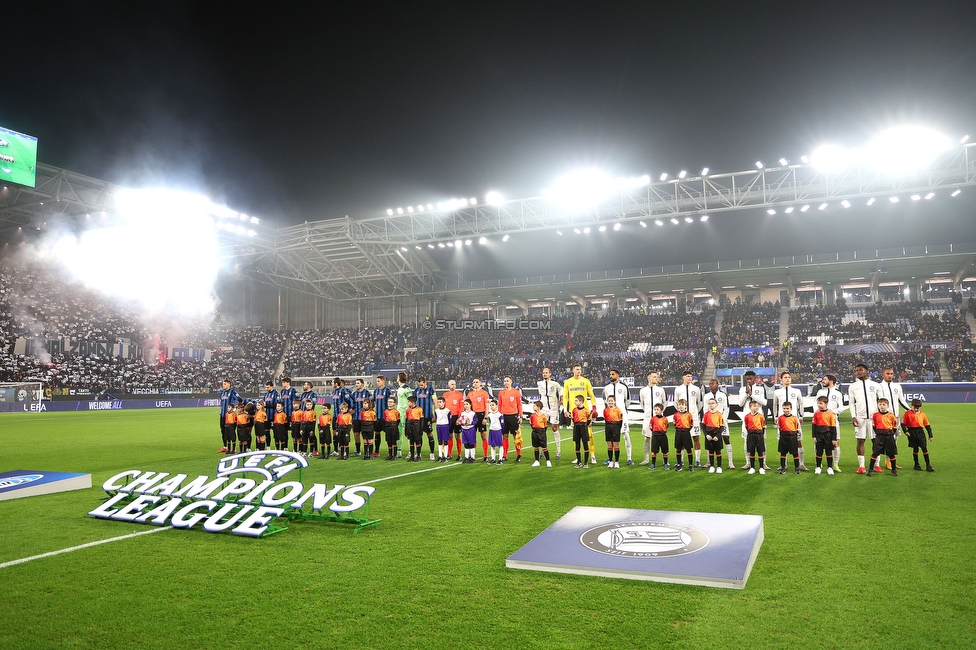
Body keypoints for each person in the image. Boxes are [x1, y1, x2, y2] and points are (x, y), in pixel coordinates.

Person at [847, 363, 880, 474]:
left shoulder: (875, 385)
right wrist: (853, 416)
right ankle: (861, 466)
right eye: (857, 370)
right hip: (860, 418)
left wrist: (880, 416)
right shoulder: (853, 386)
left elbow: (882, 401)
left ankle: (877, 464)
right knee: (860, 440)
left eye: (861, 370)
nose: (858, 372)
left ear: (866, 371)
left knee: (876, 441)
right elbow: (851, 403)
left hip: (874, 417)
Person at [773, 371, 809, 472]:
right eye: (785, 377)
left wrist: (801, 416)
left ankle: (801, 464)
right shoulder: (777, 392)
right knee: (783, 443)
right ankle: (784, 465)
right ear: (781, 379)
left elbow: (801, 403)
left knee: (799, 442)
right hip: (782, 421)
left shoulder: (797, 391)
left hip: (794, 420)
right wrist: (775, 416)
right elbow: (775, 405)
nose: (787, 379)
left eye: (789, 377)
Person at [563, 364, 598, 465]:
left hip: (585, 413)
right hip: (574, 413)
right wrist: (565, 409)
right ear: (573, 370)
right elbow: (565, 396)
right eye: (577, 369)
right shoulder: (568, 382)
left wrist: (594, 407)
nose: (579, 371)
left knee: (589, 435)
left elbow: (592, 395)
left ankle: (592, 456)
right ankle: (577, 457)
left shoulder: (586, 381)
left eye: (580, 369)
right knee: (576, 436)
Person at [878, 366, 910, 470]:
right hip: (884, 418)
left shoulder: (897, 386)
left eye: (891, 374)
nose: (889, 376)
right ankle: (876, 463)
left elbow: (901, 400)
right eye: (887, 373)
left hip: (895, 418)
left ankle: (890, 460)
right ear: (883, 374)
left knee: (895, 439)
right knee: (881, 440)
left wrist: (909, 411)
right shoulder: (878, 387)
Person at [603, 369, 634, 466]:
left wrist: (622, 410)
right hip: (611, 417)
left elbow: (628, 400)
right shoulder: (606, 388)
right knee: (610, 439)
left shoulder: (624, 387)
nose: (611, 376)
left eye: (613, 374)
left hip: (621, 416)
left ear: (618, 375)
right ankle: (610, 459)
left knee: (626, 435)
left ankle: (629, 458)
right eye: (610, 374)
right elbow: (605, 401)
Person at [738, 371, 766, 470]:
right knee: (746, 440)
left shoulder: (760, 388)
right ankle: (748, 462)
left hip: (759, 418)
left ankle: (764, 463)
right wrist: (746, 394)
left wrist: (752, 394)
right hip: (747, 418)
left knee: (762, 441)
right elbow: (740, 404)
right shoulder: (742, 389)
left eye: (751, 378)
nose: (749, 380)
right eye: (747, 379)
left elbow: (764, 402)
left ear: (755, 379)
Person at [816, 374, 845, 471]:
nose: (822, 381)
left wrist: (832, 411)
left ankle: (835, 465)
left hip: (833, 422)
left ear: (831, 381)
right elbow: (814, 405)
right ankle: (819, 465)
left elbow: (841, 407)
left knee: (835, 443)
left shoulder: (838, 393)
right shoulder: (820, 391)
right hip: (820, 422)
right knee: (817, 443)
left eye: (824, 379)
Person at [703, 378, 734, 469]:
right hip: (710, 423)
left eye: (713, 383)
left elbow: (726, 408)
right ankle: (709, 461)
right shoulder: (706, 396)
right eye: (710, 383)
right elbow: (705, 410)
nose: (711, 385)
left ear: (717, 384)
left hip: (721, 422)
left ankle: (730, 462)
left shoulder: (723, 395)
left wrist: (722, 420)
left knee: (726, 439)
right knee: (709, 440)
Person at [676, 371, 704, 468]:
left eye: (691, 376)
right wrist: (682, 414)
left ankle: (697, 460)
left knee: (696, 438)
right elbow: (676, 403)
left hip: (694, 417)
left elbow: (700, 403)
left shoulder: (696, 389)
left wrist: (693, 412)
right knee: (682, 440)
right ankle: (682, 461)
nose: (690, 378)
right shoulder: (678, 389)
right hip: (683, 419)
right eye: (688, 376)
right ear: (683, 377)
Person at [639, 371, 667, 465]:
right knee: (647, 438)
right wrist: (648, 413)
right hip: (647, 419)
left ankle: (664, 460)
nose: (656, 378)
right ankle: (646, 459)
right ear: (649, 378)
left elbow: (664, 402)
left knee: (661, 438)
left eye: (657, 377)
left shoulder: (660, 390)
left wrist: (659, 413)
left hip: (658, 420)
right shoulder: (643, 390)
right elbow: (642, 403)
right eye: (654, 377)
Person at [867, 398, 899, 476]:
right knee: (875, 453)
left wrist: (889, 433)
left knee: (891, 454)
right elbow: (874, 426)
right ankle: (871, 469)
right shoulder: (875, 415)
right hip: (879, 437)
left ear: (887, 406)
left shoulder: (891, 416)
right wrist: (879, 433)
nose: (882, 406)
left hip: (889, 436)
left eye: (884, 404)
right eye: (880, 404)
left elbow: (894, 427)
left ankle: (894, 470)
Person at [537, 368, 563, 460]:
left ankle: (558, 450)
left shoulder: (555, 384)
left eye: (546, 373)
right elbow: (540, 395)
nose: (544, 374)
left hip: (554, 408)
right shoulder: (539, 384)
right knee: (542, 429)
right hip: (544, 409)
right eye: (543, 373)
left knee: (554, 428)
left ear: (550, 374)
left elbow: (561, 390)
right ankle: (543, 450)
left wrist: (561, 399)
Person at [902, 398, 935, 472]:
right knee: (915, 448)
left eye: (918, 408)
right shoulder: (907, 414)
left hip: (920, 432)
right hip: (911, 432)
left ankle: (928, 465)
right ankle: (916, 464)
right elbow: (903, 424)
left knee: (924, 448)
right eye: (914, 407)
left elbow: (927, 425)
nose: (916, 409)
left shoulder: (922, 414)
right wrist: (905, 431)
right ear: (911, 405)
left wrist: (930, 435)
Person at [497, 376, 523, 462]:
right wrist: (499, 415)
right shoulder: (501, 393)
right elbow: (499, 405)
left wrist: (521, 416)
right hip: (503, 416)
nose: (506, 382)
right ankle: (505, 455)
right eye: (504, 381)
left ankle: (518, 455)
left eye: (507, 381)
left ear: (511, 381)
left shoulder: (516, 392)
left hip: (513, 416)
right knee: (505, 435)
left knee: (515, 436)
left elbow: (519, 405)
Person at [810, 397, 837, 475]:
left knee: (828, 451)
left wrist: (834, 438)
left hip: (828, 435)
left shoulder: (830, 414)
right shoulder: (816, 413)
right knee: (819, 451)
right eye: (818, 403)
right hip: (819, 435)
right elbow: (813, 426)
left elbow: (833, 427)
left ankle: (829, 467)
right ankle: (818, 467)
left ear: (826, 404)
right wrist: (814, 436)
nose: (819, 405)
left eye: (821, 403)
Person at [466, 378, 491, 461]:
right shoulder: (470, 394)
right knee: (472, 436)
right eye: (474, 382)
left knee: (483, 435)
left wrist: (486, 417)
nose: (475, 383)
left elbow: (487, 406)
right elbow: (466, 406)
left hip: (481, 415)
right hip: (472, 415)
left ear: (480, 383)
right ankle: (473, 455)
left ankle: (485, 455)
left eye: (477, 382)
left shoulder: (484, 393)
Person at [442, 380, 465, 461]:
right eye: (452, 384)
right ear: (448, 385)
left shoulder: (459, 394)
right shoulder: (445, 395)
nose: (453, 385)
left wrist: (459, 417)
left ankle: (459, 454)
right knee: (449, 436)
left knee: (457, 435)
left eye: (455, 384)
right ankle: (449, 454)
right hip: (447, 417)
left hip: (456, 417)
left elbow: (461, 407)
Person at [415, 377, 436, 461]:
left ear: (425, 382)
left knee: (429, 434)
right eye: (419, 385)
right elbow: (413, 403)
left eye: (422, 385)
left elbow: (435, 401)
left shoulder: (431, 390)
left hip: (428, 417)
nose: (420, 386)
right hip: (419, 417)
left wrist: (435, 414)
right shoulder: (416, 391)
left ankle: (432, 453)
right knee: (419, 435)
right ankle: (419, 454)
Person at [777, 401, 801, 475]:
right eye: (784, 408)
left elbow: (797, 428)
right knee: (783, 452)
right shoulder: (780, 418)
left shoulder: (794, 418)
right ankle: (783, 468)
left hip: (792, 437)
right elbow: (779, 427)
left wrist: (798, 438)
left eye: (787, 408)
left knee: (795, 453)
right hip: (783, 437)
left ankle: (797, 468)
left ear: (791, 409)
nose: (786, 410)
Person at [218, 379, 241, 453]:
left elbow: (240, 400)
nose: (223, 385)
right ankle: (225, 447)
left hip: (230, 416)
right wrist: (221, 410)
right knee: (223, 431)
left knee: (231, 432)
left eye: (224, 384)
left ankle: (233, 448)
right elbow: (222, 403)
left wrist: (234, 409)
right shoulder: (222, 393)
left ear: (229, 384)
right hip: (222, 415)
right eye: (223, 384)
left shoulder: (233, 392)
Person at [744, 400, 767, 475]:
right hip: (751, 435)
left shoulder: (761, 416)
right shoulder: (747, 416)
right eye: (754, 406)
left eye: (757, 406)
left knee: (760, 451)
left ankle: (761, 467)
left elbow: (763, 427)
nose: (756, 408)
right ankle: (752, 468)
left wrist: (760, 435)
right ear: (750, 407)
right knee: (752, 451)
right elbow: (747, 426)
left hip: (759, 435)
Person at [702, 398, 724, 474]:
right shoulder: (706, 414)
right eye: (709, 403)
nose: (711, 405)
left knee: (718, 451)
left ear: (717, 404)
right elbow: (703, 426)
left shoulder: (719, 414)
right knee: (710, 451)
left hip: (716, 434)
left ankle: (719, 466)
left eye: (713, 403)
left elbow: (722, 427)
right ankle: (711, 466)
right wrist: (706, 435)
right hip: (709, 435)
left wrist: (717, 436)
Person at [373, 375, 393, 458]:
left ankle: (390, 452)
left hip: (385, 417)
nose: (377, 382)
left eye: (378, 381)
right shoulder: (376, 391)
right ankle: (377, 451)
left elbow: (391, 402)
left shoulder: (387, 390)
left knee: (388, 434)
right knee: (377, 433)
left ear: (383, 381)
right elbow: (373, 402)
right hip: (378, 416)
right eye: (377, 381)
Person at [331, 377, 352, 457]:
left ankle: (344, 451)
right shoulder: (334, 391)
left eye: (332, 382)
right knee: (335, 433)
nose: (331, 384)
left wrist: (349, 409)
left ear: (336, 383)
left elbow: (349, 400)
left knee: (344, 433)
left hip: (342, 416)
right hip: (335, 415)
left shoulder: (343, 391)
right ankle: (336, 450)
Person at [673, 398, 695, 472]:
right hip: (678, 433)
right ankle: (679, 464)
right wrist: (679, 429)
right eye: (679, 405)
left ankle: (690, 465)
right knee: (678, 449)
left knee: (688, 449)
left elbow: (691, 424)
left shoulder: (689, 415)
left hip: (686, 433)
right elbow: (674, 424)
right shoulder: (676, 415)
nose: (681, 406)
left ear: (686, 406)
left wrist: (687, 430)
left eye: (682, 405)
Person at [529, 401, 552, 467]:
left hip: (541, 433)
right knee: (536, 447)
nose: (533, 407)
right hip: (534, 432)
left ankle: (548, 461)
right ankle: (537, 461)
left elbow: (545, 425)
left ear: (538, 407)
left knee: (544, 447)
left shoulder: (543, 416)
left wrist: (542, 432)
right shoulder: (532, 416)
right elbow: (531, 424)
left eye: (534, 406)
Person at [603, 395, 623, 469]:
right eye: (609, 401)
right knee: (609, 445)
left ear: (614, 401)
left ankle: (617, 462)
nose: (610, 402)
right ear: (607, 402)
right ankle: (611, 461)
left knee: (616, 445)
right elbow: (605, 419)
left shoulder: (618, 410)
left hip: (616, 427)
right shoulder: (605, 410)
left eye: (612, 401)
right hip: (608, 427)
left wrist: (617, 429)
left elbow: (621, 420)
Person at [351, 378, 370, 456]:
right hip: (356, 418)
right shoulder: (354, 394)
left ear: (362, 384)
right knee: (356, 434)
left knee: (366, 434)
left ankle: (367, 450)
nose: (356, 385)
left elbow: (372, 404)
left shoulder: (367, 393)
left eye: (358, 383)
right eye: (356, 383)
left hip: (365, 418)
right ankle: (358, 450)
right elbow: (352, 405)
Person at [570, 395, 591, 468]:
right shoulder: (574, 410)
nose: (575, 402)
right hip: (576, 427)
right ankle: (579, 462)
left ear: (581, 401)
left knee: (585, 444)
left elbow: (589, 420)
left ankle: (585, 462)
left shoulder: (586, 410)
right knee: (577, 445)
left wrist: (584, 425)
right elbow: (573, 419)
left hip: (583, 427)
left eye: (576, 400)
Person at [648, 403, 670, 470]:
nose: (656, 411)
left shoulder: (665, 419)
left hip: (663, 436)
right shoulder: (653, 419)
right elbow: (651, 427)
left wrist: (663, 431)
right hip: (655, 436)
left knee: (665, 451)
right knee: (654, 451)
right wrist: (655, 432)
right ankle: (653, 464)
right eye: (655, 409)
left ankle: (665, 464)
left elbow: (666, 427)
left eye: (657, 409)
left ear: (662, 410)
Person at [280, 377, 299, 452]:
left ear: (288, 383)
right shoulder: (282, 391)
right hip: (284, 415)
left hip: (292, 415)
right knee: (284, 432)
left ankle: (295, 449)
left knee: (293, 432)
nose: (282, 384)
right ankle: (285, 448)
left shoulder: (293, 390)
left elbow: (298, 400)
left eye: (283, 382)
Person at [396, 372, 412, 456]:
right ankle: (399, 451)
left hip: (405, 413)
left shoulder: (407, 388)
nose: (396, 378)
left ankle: (410, 451)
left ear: (400, 378)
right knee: (399, 432)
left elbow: (411, 400)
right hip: (399, 413)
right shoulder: (399, 388)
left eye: (397, 377)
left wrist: (408, 411)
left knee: (407, 432)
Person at [405, 396, 424, 462]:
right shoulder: (407, 410)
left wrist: (421, 429)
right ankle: (412, 456)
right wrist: (406, 430)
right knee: (411, 441)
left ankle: (418, 455)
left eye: (408, 402)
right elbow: (406, 420)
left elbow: (422, 420)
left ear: (413, 402)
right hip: (409, 426)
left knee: (417, 441)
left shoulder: (419, 409)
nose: (408, 403)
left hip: (416, 426)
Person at [458, 399, 478, 463]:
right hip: (464, 429)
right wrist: (460, 422)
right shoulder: (462, 413)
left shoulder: (473, 413)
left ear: (470, 405)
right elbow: (460, 420)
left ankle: (472, 457)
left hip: (471, 429)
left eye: (467, 404)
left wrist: (470, 422)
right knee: (466, 444)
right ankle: (466, 457)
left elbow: (476, 421)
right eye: (464, 404)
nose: (465, 406)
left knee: (471, 444)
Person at [434, 397, 453, 462]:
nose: (439, 403)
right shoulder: (436, 411)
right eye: (438, 402)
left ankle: (445, 456)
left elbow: (450, 420)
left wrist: (448, 428)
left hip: (445, 426)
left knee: (445, 442)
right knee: (439, 441)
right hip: (438, 426)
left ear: (444, 403)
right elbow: (436, 418)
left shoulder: (447, 411)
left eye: (440, 402)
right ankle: (440, 456)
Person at [486, 400, 505, 465]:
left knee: (500, 445)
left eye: (493, 405)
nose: (491, 406)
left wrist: (502, 431)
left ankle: (500, 459)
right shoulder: (490, 415)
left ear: (497, 406)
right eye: (490, 405)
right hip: (492, 430)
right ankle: (493, 459)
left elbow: (502, 424)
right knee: (492, 445)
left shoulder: (499, 415)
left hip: (498, 430)